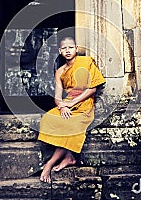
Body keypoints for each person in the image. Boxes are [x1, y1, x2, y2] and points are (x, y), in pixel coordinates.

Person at [38, 37, 105, 183]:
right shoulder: (60, 71)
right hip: (67, 103)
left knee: (72, 126)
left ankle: (49, 164)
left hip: (84, 103)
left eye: (70, 47)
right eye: (64, 48)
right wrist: (62, 106)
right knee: (48, 118)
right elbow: (57, 96)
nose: (67, 51)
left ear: (76, 48)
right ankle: (68, 156)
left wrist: (73, 102)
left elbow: (93, 88)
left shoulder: (86, 62)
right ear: (59, 51)